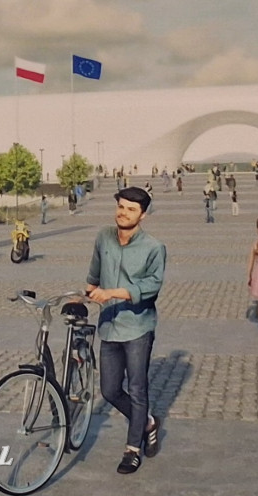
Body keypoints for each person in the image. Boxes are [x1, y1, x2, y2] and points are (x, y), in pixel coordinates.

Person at [86, 186, 166, 475]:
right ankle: (147, 423)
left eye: (131, 209)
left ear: (142, 215)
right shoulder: (104, 236)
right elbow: (94, 274)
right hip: (109, 325)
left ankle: (132, 449)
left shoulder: (154, 247)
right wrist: (86, 294)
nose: (124, 213)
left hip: (137, 328)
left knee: (136, 388)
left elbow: (151, 286)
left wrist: (113, 293)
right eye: (121, 207)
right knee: (109, 390)